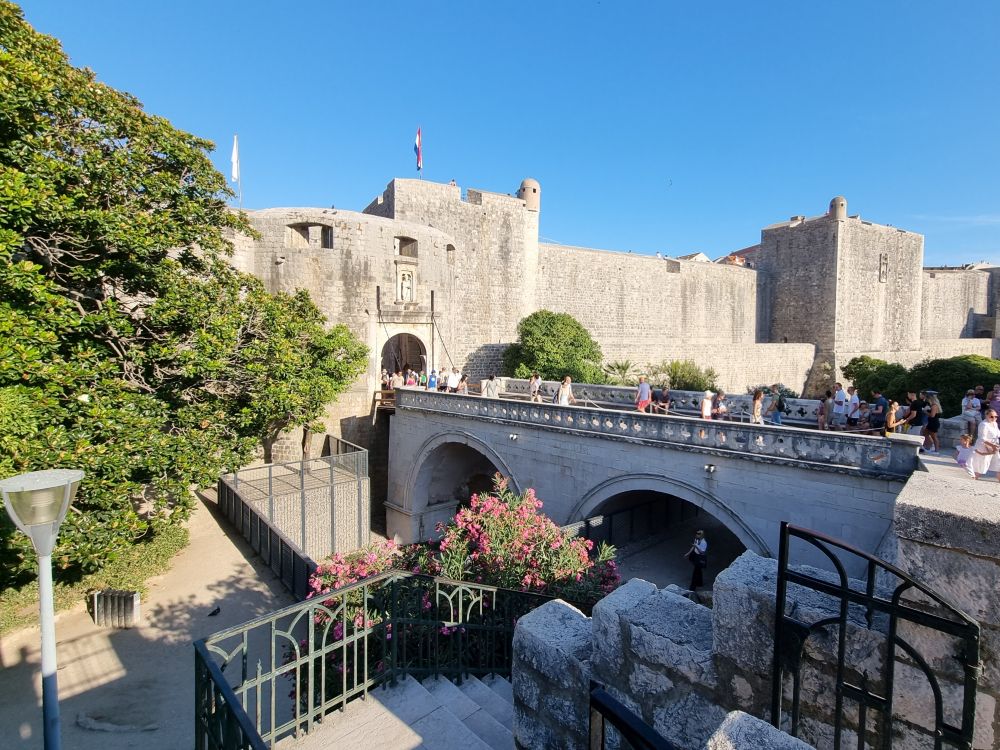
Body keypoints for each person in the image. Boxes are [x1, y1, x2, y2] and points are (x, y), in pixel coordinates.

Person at [966, 408, 1000, 481]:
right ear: (986, 416)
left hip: (994, 446)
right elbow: (982, 439)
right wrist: (992, 445)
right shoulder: (984, 424)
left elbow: (997, 435)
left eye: (996, 416)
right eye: (991, 416)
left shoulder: (995, 424)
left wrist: (995, 445)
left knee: (998, 463)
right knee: (980, 465)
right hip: (982, 446)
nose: (994, 418)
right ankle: (973, 480)